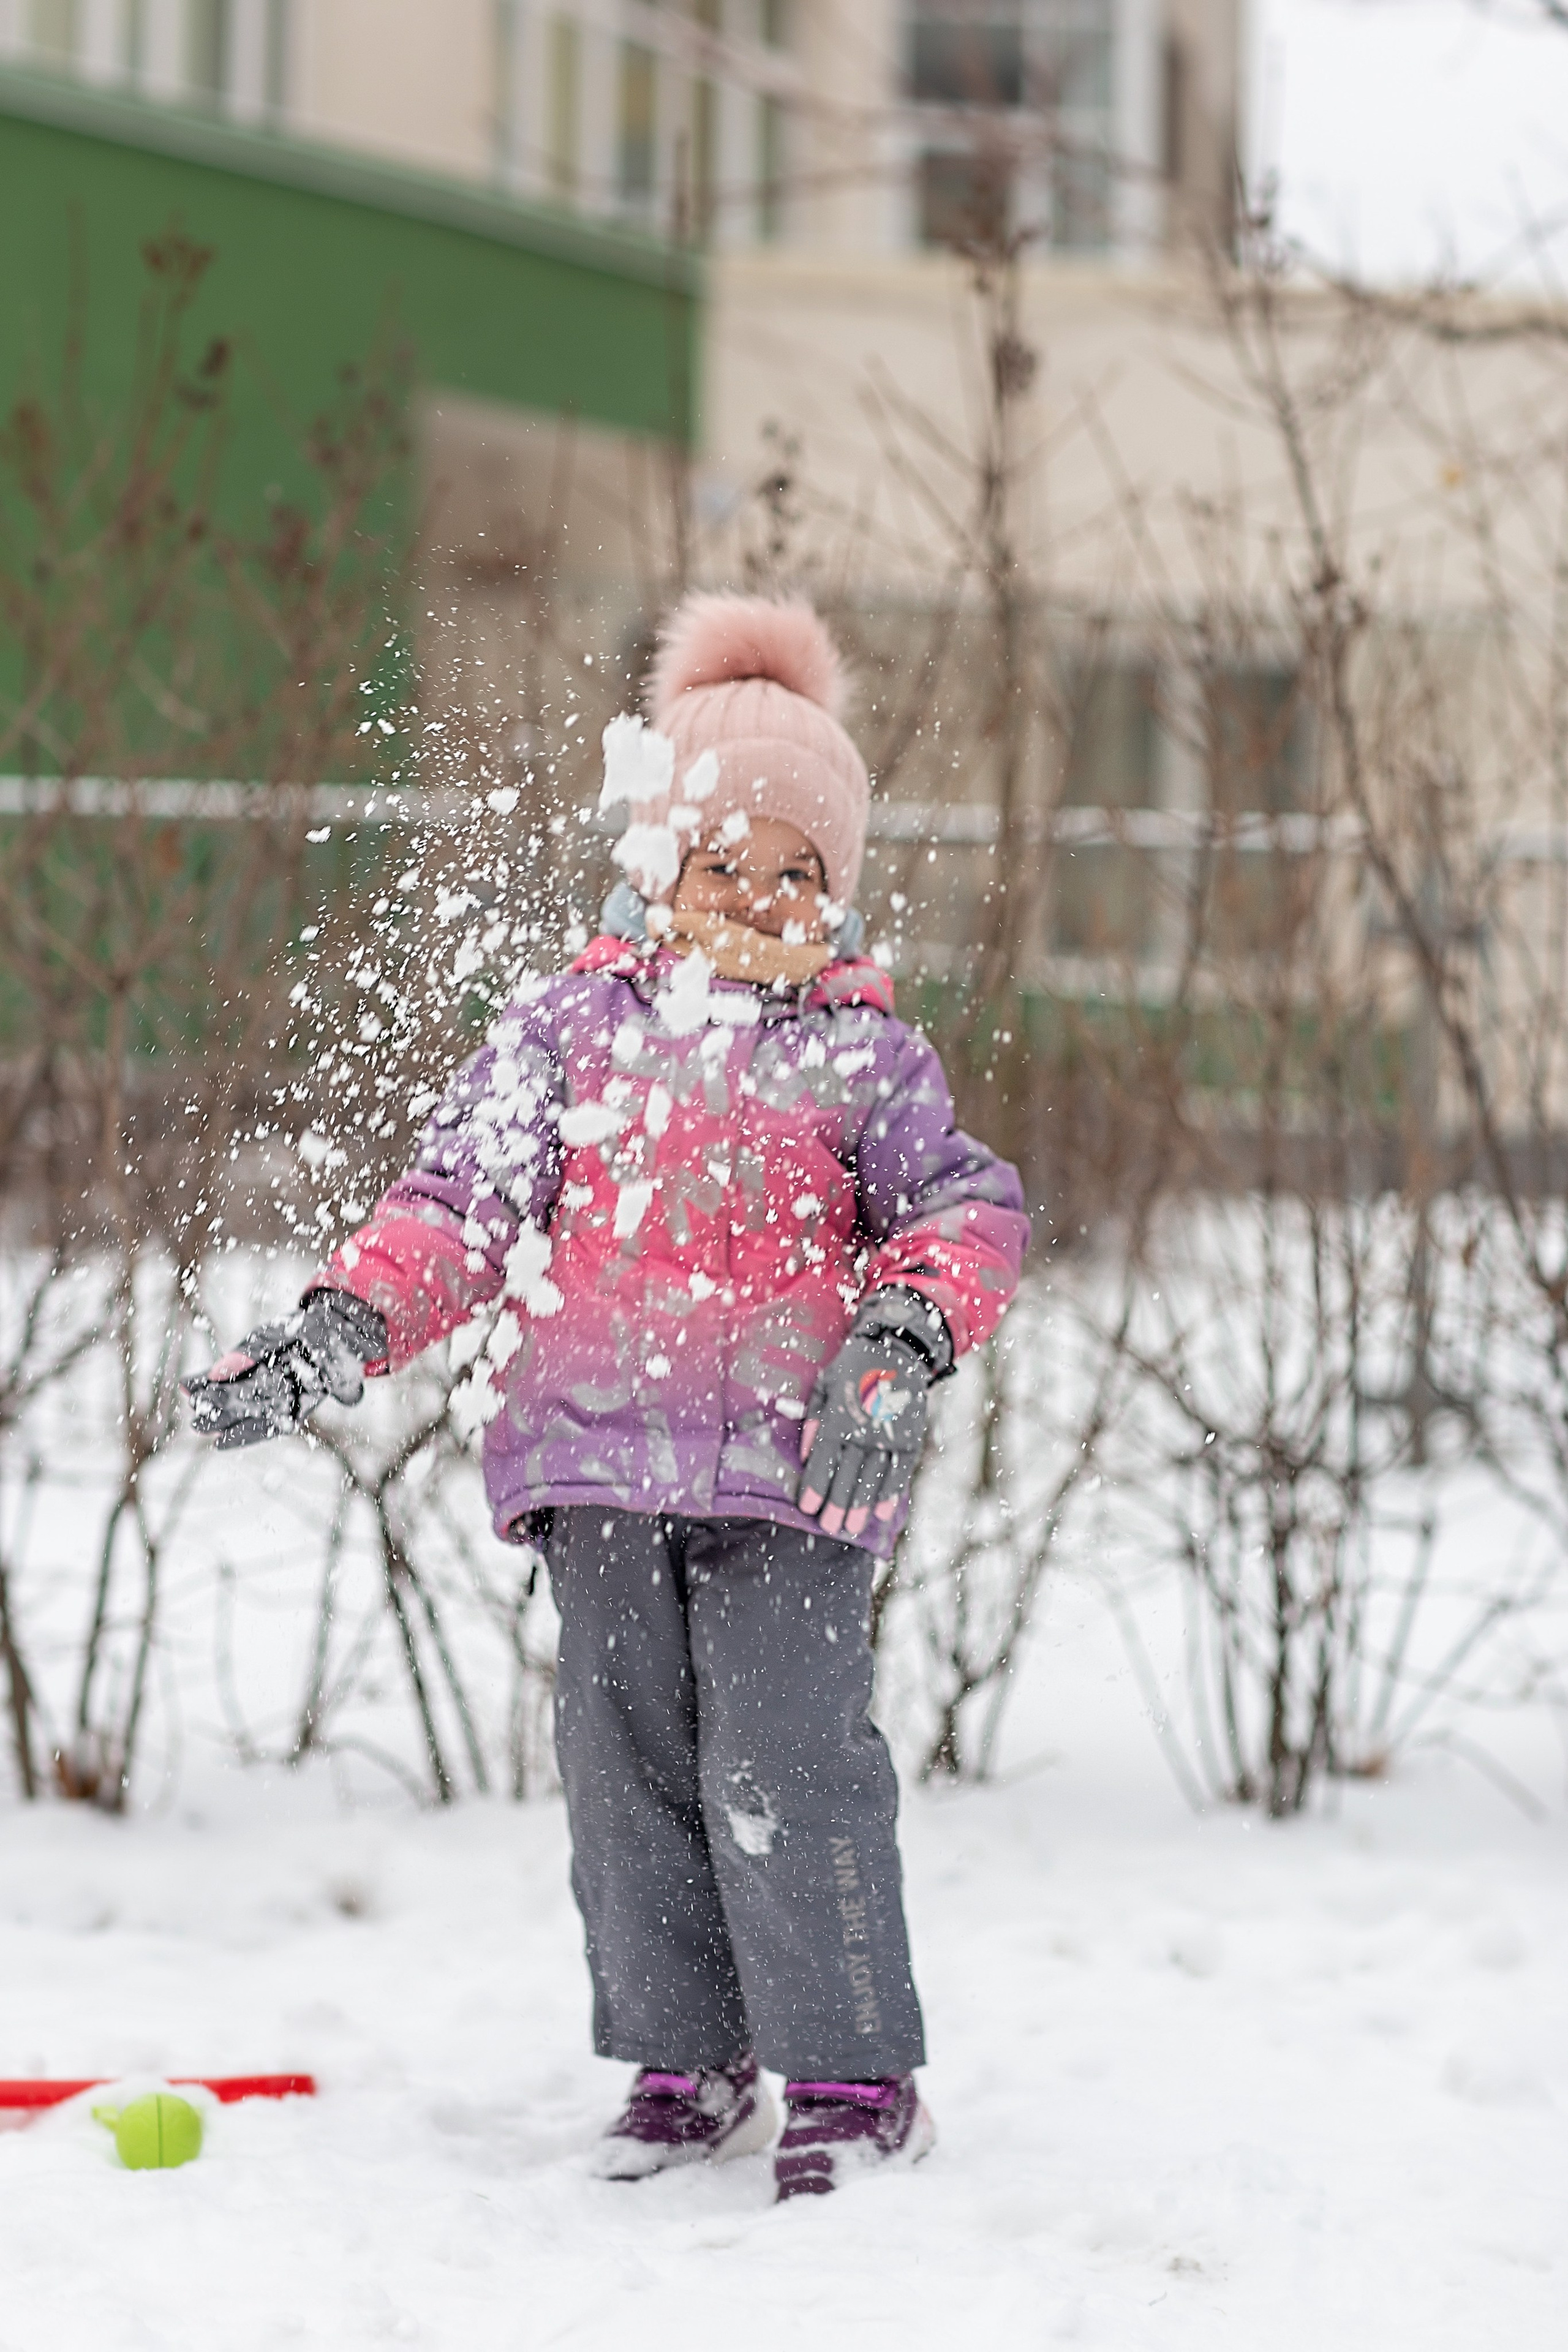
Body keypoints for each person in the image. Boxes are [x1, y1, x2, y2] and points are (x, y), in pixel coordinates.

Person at [185, 594, 1030, 2201]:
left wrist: (904, 1335)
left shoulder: (868, 1061)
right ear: (661, 866)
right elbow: (453, 1211)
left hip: (797, 1473)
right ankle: (683, 2057)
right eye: (733, 865)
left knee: (789, 1763)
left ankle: (854, 2079)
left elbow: (962, 1216)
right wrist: (332, 1334)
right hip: (594, 1466)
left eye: (806, 872)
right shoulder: (566, 1036)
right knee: (624, 1768)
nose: (770, 900)